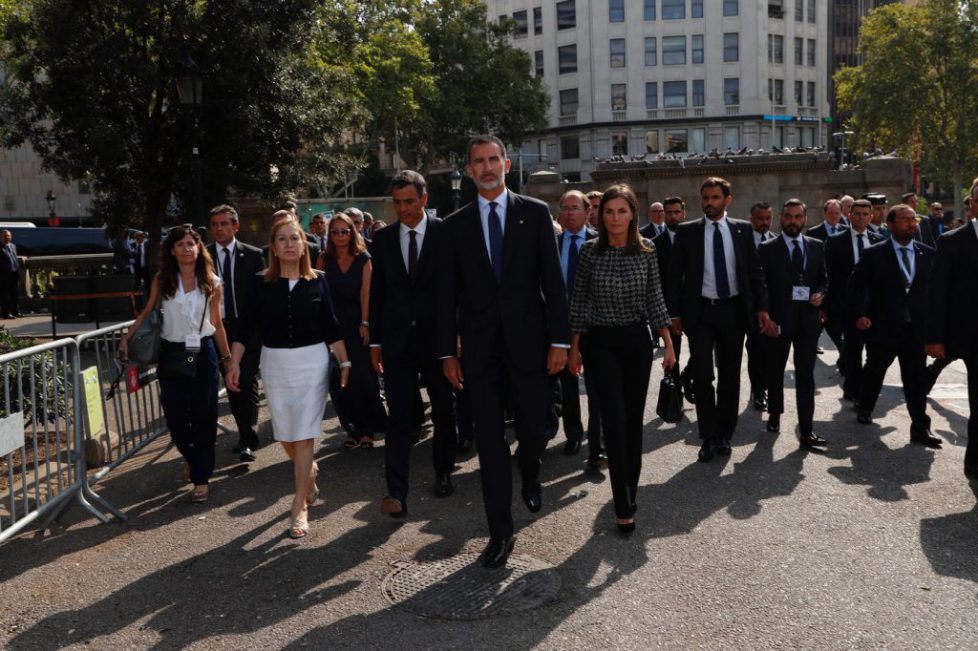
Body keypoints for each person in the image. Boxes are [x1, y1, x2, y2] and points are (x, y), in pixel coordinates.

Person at [437, 135, 570, 568]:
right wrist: (446, 353)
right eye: (479, 161)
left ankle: (529, 469)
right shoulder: (454, 226)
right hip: (480, 353)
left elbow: (553, 283)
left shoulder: (533, 215)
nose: (487, 167)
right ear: (469, 170)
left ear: (507, 165)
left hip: (531, 347)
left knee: (534, 429)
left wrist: (560, 341)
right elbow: (446, 297)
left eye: (494, 159)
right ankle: (500, 532)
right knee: (489, 441)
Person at [227, 213, 350, 538]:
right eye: (282, 239)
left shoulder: (318, 280)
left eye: (294, 238)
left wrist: (346, 362)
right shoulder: (261, 282)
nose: (289, 244)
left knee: (306, 435)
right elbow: (246, 327)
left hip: (312, 364)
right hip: (276, 364)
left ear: (303, 244)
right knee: (286, 435)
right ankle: (308, 471)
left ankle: (299, 507)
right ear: (274, 247)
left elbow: (331, 326)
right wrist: (235, 362)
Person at [568, 184, 675, 534]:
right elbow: (579, 303)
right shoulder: (588, 252)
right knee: (613, 420)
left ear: (632, 214)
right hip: (599, 344)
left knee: (631, 421)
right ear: (600, 215)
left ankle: (630, 484)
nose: (614, 218)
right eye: (609, 212)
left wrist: (669, 344)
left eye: (621, 211)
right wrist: (573, 349)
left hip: (635, 342)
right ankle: (622, 503)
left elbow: (655, 299)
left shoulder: (647, 251)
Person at [118, 225, 232, 504]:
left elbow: (216, 324)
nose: (187, 248)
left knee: (204, 417)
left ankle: (201, 478)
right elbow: (146, 313)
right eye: (180, 244)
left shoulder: (212, 282)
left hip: (202, 352)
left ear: (199, 248)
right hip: (173, 352)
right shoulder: (163, 279)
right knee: (176, 417)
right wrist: (126, 339)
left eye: (191, 243)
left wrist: (227, 360)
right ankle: (193, 458)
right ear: (172, 250)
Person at [369, 170, 457, 517]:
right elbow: (379, 293)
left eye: (409, 201)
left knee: (444, 408)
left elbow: (456, 290)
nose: (402, 209)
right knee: (400, 416)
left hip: (438, 341)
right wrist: (375, 339)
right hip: (398, 342)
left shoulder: (445, 233)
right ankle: (396, 491)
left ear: (424, 199)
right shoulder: (384, 239)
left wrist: (456, 339)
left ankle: (443, 472)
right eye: (397, 202)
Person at [666, 177, 769, 463]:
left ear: (728, 200)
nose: (709, 203)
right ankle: (708, 436)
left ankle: (725, 434)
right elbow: (674, 277)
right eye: (706, 198)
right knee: (702, 374)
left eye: (715, 197)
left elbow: (755, 272)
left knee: (729, 376)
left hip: (734, 312)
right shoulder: (688, 233)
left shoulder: (742, 230)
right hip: (700, 313)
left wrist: (762, 308)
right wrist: (673, 314)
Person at [851, 204, 941, 448]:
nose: (911, 224)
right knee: (875, 371)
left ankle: (920, 428)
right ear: (890, 225)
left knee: (915, 379)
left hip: (915, 329)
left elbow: (936, 293)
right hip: (883, 327)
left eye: (914, 220)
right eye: (904, 220)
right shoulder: (874, 254)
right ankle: (865, 406)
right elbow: (856, 287)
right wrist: (860, 314)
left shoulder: (928, 254)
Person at [757, 199, 828, 448]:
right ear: (781, 218)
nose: (793, 221)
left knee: (806, 376)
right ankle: (775, 413)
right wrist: (765, 314)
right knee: (774, 371)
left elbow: (823, 279)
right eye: (788, 216)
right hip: (778, 321)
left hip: (808, 321)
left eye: (798, 217)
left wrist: (821, 294)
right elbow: (761, 284)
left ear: (805, 219)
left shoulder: (816, 246)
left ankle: (806, 430)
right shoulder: (767, 248)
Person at [322, 212, 387, 448]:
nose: (340, 235)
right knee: (339, 381)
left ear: (353, 232)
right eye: (335, 231)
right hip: (333, 325)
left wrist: (366, 323)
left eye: (344, 231)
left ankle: (368, 429)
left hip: (358, 324)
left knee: (363, 378)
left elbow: (366, 293)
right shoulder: (323, 259)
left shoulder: (363, 258)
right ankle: (351, 429)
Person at [927, 178, 978, 479]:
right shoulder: (952, 242)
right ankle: (974, 459)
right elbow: (937, 292)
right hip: (970, 334)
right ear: (972, 204)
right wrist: (933, 337)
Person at [207, 205, 266, 462]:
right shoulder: (203, 256)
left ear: (235, 226)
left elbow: (259, 297)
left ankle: (247, 439)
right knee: (230, 385)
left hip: (247, 327)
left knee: (244, 380)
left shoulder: (253, 256)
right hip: (215, 329)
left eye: (224, 223)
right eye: (215, 224)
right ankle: (241, 433)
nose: (219, 228)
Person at [554, 190, 603, 465]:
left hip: (594, 325)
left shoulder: (601, 243)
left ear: (587, 212)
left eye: (576, 207)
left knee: (596, 385)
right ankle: (573, 434)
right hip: (563, 326)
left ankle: (597, 443)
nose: (570, 212)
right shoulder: (552, 244)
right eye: (566, 207)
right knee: (568, 385)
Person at [824, 199, 885, 404]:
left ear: (871, 216)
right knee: (853, 349)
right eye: (856, 213)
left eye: (865, 214)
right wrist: (828, 305)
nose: (861, 217)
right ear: (849, 216)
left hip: (876, 307)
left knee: (876, 351)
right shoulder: (834, 241)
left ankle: (862, 386)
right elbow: (829, 276)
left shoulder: (879, 240)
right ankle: (854, 388)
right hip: (848, 306)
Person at [651, 196, 690, 391]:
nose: (673, 216)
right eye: (669, 213)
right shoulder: (654, 245)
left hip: (694, 305)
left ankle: (688, 376)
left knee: (703, 351)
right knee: (671, 352)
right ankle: (675, 395)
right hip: (667, 308)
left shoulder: (696, 239)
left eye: (677, 212)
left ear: (684, 213)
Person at [746, 202, 776, 411]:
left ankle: (764, 387)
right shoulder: (743, 242)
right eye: (760, 219)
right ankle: (758, 391)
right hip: (748, 307)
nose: (764, 223)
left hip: (773, 308)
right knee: (755, 349)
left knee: (768, 351)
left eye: (767, 219)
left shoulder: (777, 241)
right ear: (751, 219)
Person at [0, 230, 21, 318]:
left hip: (14, 273)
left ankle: (15, 312)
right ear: (1, 237)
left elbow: (14, 257)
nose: (7, 237)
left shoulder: (13, 246)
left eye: (9, 236)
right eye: (5, 236)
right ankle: (6, 313)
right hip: (3, 275)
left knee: (15, 294)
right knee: (5, 295)